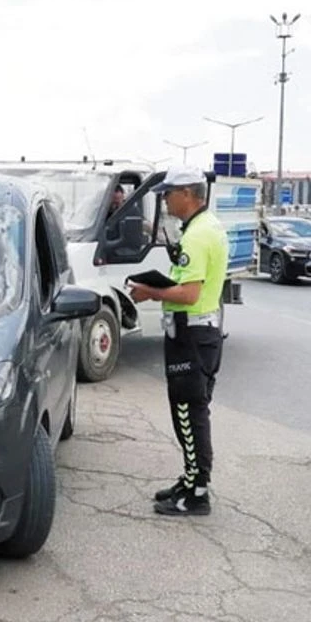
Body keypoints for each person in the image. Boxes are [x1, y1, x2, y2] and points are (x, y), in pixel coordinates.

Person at [126, 165, 228, 517]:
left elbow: (187, 293)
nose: (165, 201)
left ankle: (197, 493)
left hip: (192, 334)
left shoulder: (197, 236)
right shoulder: (205, 226)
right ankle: (190, 478)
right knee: (191, 409)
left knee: (189, 411)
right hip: (200, 332)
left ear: (187, 194)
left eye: (168, 194)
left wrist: (149, 291)